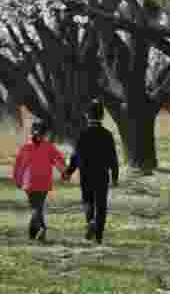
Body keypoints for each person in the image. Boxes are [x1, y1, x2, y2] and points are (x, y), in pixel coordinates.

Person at [63, 100, 119, 244]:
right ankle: (98, 236)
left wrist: (69, 171)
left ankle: (90, 221)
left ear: (87, 115)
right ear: (102, 116)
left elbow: (75, 156)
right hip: (102, 174)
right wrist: (115, 176)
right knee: (101, 204)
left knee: (88, 200)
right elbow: (113, 157)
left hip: (86, 174)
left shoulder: (82, 134)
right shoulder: (107, 135)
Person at [12, 120, 68, 242]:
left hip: (30, 182)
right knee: (38, 207)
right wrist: (64, 172)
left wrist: (17, 179)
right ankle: (37, 233)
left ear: (32, 132)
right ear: (45, 133)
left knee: (35, 208)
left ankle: (39, 231)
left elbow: (19, 166)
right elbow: (59, 161)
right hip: (44, 182)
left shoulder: (25, 147)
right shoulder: (49, 147)